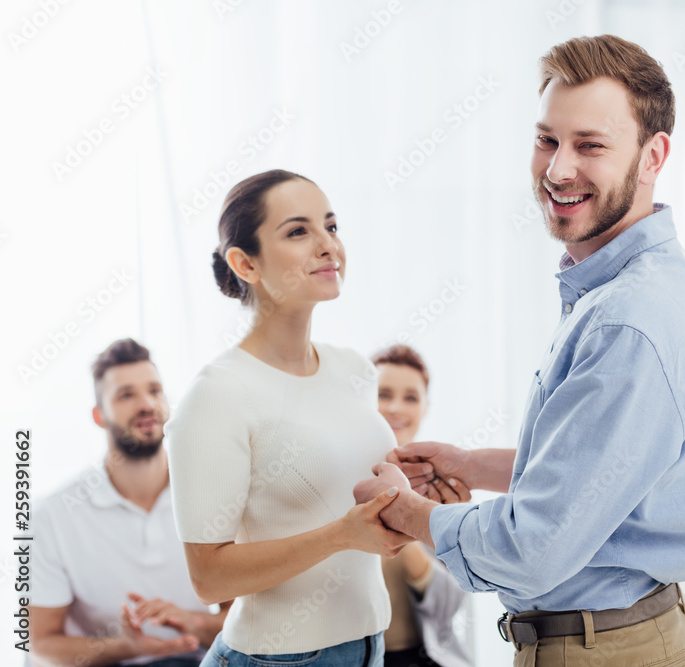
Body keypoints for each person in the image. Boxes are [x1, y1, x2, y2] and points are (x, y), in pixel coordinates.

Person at [354, 35, 685, 667]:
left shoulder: (629, 322)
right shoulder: (625, 289)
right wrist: (474, 464)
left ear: (653, 157)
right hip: (625, 634)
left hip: (603, 649)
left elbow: (530, 549)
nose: (558, 169)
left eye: (590, 145)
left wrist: (406, 514)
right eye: (547, 139)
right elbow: (607, 470)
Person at [164, 169, 412, 667]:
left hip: (369, 646)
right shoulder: (218, 395)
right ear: (244, 263)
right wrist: (342, 534)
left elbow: (344, 490)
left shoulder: (354, 370)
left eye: (332, 226)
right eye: (298, 231)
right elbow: (208, 577)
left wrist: (416, 488)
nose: (328, 246)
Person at [29, 338, 229, 667]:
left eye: (154, 390)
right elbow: (40, 645)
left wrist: (194, 623)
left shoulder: (214, 494)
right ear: (99, 416)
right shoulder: (51, 517)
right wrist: (128, 647)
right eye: (126, 395)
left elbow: (244, 619)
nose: (146, 404)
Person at [372, 344, 473, 667]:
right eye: (383, 394)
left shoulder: (445, 490)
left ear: (426, 406)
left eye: (411, 397)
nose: (396, 408)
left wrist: (407, 522)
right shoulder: (333, 483)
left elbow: (451, 603)